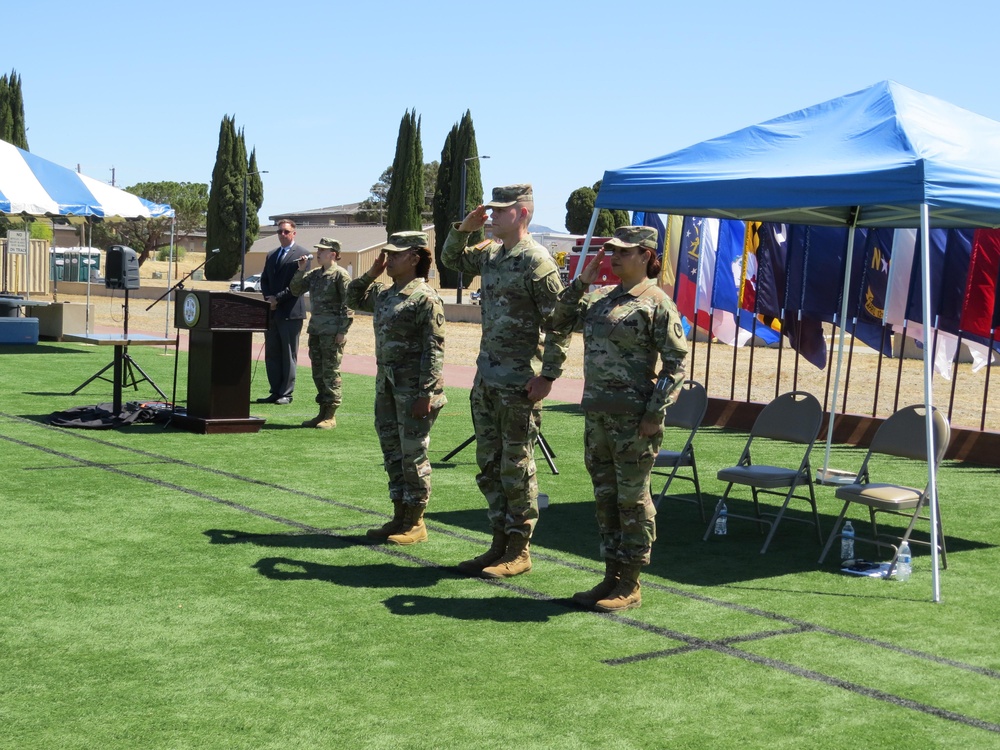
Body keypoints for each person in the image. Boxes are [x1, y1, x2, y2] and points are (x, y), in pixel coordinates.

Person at [551, 226, 688, 612]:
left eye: (623, 252)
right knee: (606, 500)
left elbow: (675, 364)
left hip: (633, 420)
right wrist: (581, 283)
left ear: (645, 255)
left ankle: (631, 582)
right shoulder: (600, 299)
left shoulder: (656, 302)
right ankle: (611, 575)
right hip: (597, 416)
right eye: (611, 251)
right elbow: (556, 322)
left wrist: (654, 413)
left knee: (633, 501)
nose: (613, 257)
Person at [442, 184, 571, 578]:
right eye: (491, 211)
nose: (492, 216)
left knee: (516, 466)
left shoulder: (537, 262)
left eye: (501, 211)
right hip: (487, 378)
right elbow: (451, 259)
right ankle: (498, 543)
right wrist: (463, 228)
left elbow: (560, 325)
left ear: (523, 214)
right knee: (489, 465)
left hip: (519, 382)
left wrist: (548, 376)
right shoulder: (493, 253)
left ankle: (520, 549)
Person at [346, 231, 447, 545]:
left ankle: (416, 522)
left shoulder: (425, 297)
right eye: (386, 254)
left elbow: (435, 348)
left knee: (413, 455)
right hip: (387, 387)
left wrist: (426, 394)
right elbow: (351, 297)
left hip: (414, 391)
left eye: (395, 254)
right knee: (392, 453)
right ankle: (399, 515)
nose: (388, 259)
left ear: (414, 258)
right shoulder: (388, 294)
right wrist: (372, 272)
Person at [289, 237, 354, 429]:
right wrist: (301, 270)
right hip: (316, 330)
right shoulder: (315, 274)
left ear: (332, 254)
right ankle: (322, 412)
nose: (318, 253)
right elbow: (295, 290)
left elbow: (348, 304)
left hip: (332, 332)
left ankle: (331, 415)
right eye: (318, 250)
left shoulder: (340, 276)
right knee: (318, 372)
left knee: (330, 372)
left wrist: (342, 330)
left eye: (322, 250)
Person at [258, 219, 310, 404]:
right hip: (271, 312)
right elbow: (264, 280)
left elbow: (298, 287)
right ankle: (275, 390)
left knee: (288, 354)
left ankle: (286, 393)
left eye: (286, 232)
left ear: (294, 233)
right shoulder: (271, 254)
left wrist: (277, 299)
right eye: (279, 232)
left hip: (290, 312)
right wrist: (267, 299)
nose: (282, 235)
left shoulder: (303, 255)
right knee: (272, 353)